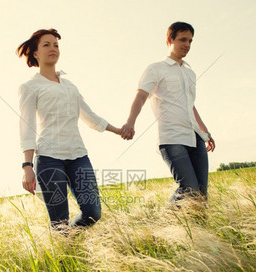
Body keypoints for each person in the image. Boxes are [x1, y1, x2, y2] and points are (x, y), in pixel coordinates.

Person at [17, 28, 123, 230]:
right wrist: (27, 165)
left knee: (93, 212)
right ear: (36, 53)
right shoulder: (30, 87)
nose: (53, 48)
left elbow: (90, 116)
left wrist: (117, 130)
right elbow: (27, 126)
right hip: (49, 159)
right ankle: (64, 253)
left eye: (56, 45)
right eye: (46, 45)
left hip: (78, 156)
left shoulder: (70, 86)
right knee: (59, 223)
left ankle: (70, 239)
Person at [121, 21, 215, 204]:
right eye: (182, 40)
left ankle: (198, 230)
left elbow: (191, 105)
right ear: (169, 40)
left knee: (202, 194)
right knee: (189, 188)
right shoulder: (155, 69)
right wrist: (130, 122)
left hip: (196, 136)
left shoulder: (190, 73)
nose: (187, 45)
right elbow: (141, 97)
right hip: (172, 138)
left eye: (190, 41)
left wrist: (205, 131)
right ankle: (164, 225)